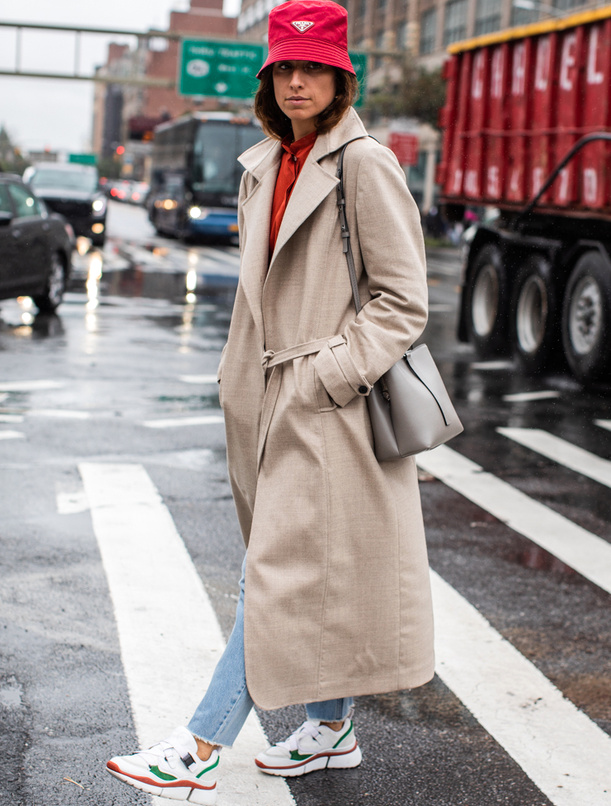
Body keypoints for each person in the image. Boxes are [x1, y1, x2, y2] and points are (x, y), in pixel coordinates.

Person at [106, 1, 434, 802]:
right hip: (270, 396)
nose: (297, 81)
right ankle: (330, 729)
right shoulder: (268, 164)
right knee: (306, 571)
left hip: (329, 405)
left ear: (339, 77)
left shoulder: (365, 164)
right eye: (284, 68)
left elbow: (402, 300)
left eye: (313, 67)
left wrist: (328, 375)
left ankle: (200, 745)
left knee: (280, 574)